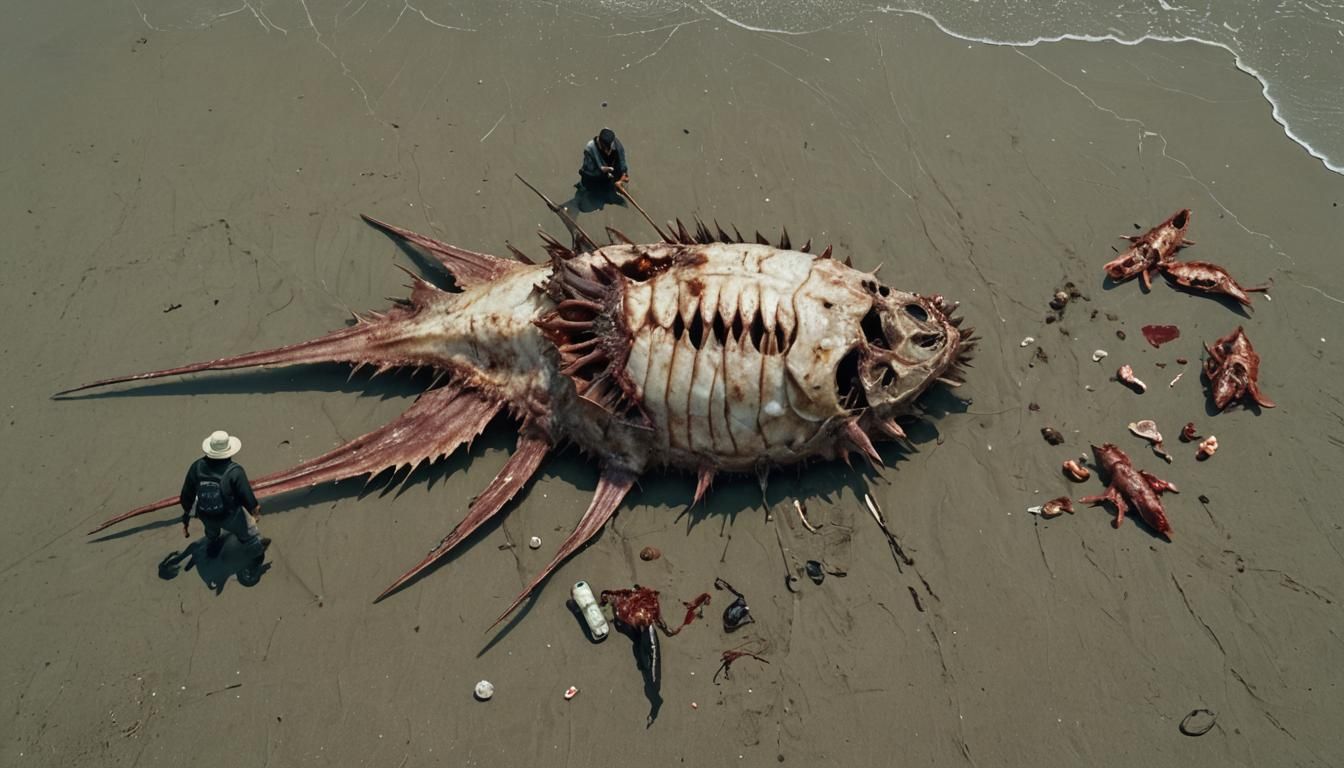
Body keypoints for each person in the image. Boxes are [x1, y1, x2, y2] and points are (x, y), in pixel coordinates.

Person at [181, 430, 269, 565]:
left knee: (211, 532)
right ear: (229, 451)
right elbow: (248, 499)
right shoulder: (235, 471)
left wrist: (189, 514)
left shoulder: (196, 467)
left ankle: (213, 545)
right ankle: (256, 555)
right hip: (230, 516)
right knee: (248, 532)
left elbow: (186, 496)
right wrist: (255, 514)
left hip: (205, 514)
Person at [574, 128, 629, 208]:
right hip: (593, 175)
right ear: (600, 142)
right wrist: (601, 170)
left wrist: (622, 177)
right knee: (587, 186)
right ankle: (582, 192)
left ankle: (614, 192)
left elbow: (622, 161)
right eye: (606, 149)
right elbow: (588, 170)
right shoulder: (590, 148)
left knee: (614, 189)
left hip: (611, 172)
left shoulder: (616, 145)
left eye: (610, 148)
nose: (608, 151)